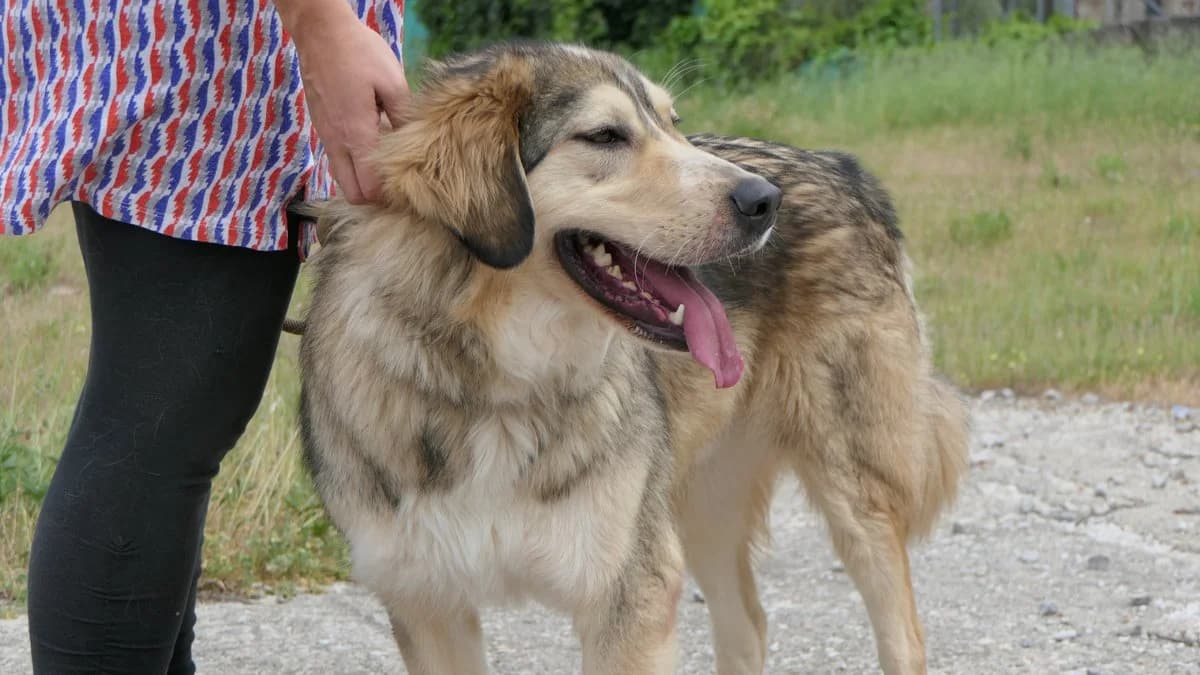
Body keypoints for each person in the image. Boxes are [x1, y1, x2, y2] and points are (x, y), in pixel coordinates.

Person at [0, 0, 411, 672]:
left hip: (215, 38)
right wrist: (323, 25)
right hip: (219, 41)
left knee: (160, 431)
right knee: (156, 429)